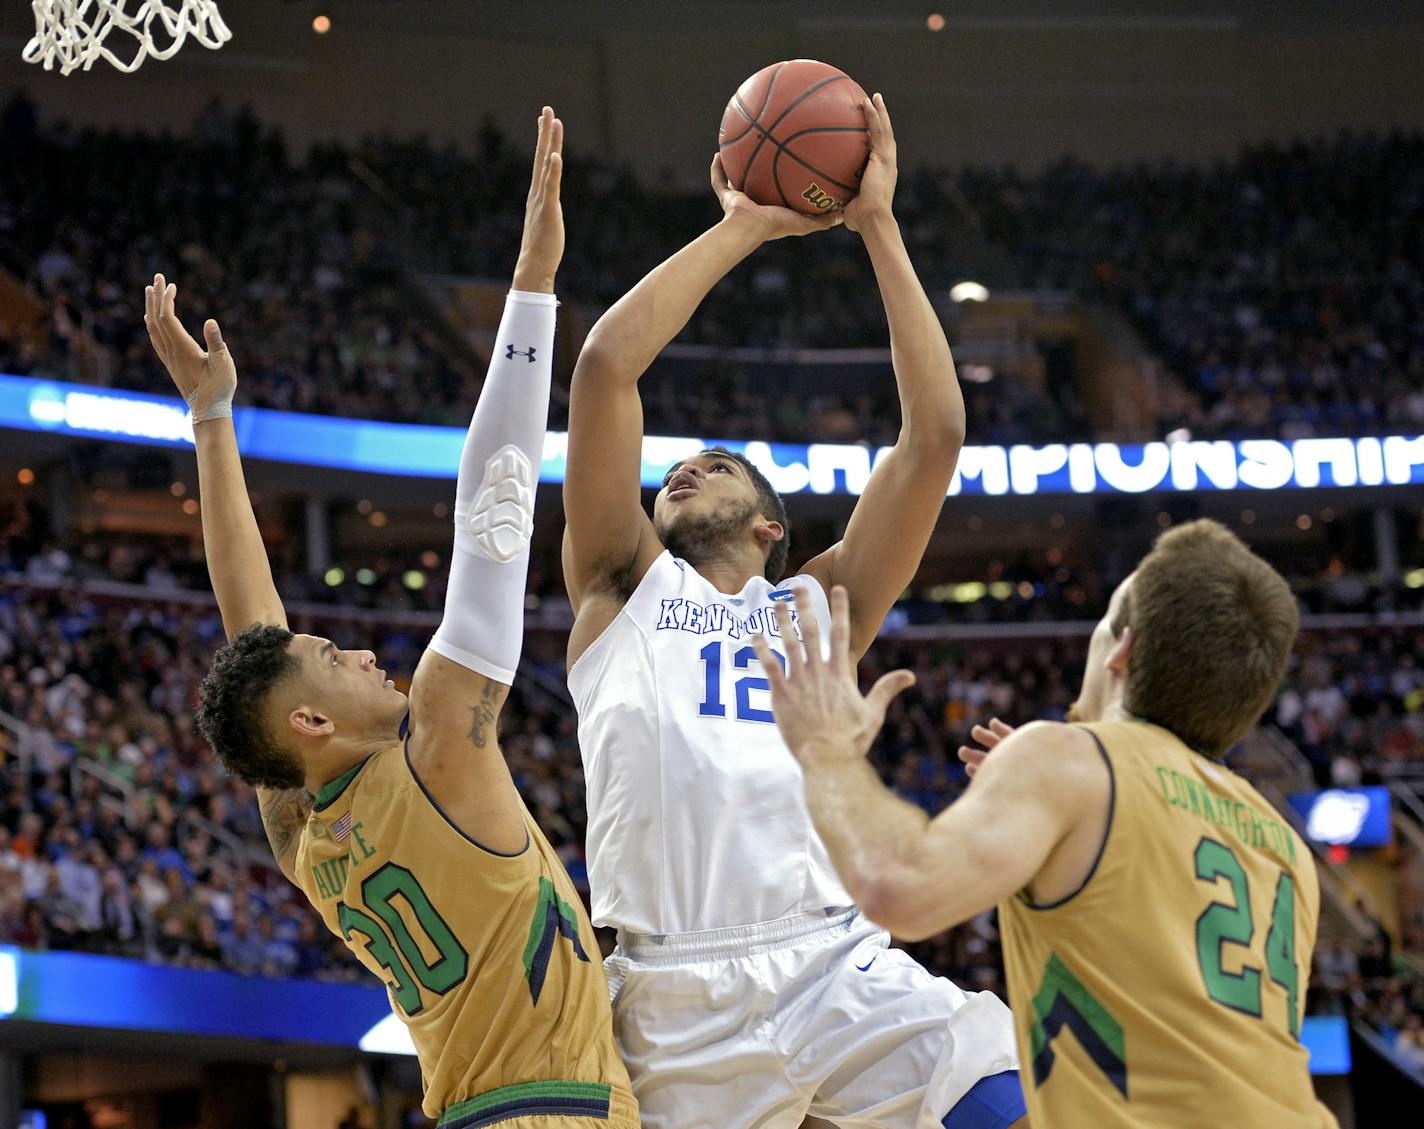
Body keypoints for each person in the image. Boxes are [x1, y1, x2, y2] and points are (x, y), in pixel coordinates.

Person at [143, 108, 637, 1128]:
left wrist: (210, 418)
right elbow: (493, 514)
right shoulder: (436, 757)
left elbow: (255, 638)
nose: (364, 651)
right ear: (312, 725)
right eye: (337, 655)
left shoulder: (309, 830)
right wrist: (533, 285)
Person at [562, 93, 1024, 1128]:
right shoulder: (619, 588)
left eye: (716, 467)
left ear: (771, 527)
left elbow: (936, 432)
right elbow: (602, 367)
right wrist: (744, 223)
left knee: (999, 1091)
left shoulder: (816, 605)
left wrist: (877, 224)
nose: (684, 471)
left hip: (833, 959)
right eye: (674, 468)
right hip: (671, 989)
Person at [752, 520, 1337, 1128]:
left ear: (1121, 650)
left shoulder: (1073, 759)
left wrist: (827, 751)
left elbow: (897, 886)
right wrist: (1045, 825)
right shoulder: (1282, 842)